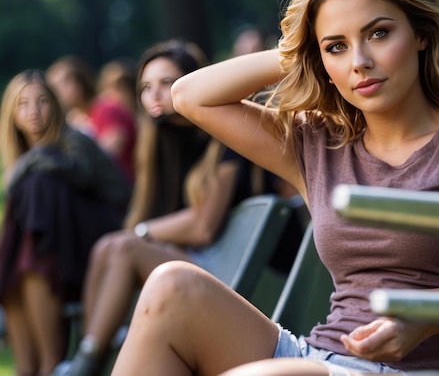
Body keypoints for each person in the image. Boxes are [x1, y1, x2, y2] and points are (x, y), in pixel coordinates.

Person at [112, 0, 439, 376]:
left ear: (421, 33)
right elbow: (188, 96)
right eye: (336, 47)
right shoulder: (318, 141)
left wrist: (425, 317)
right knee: (172, 286)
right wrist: (296, 48)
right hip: (318, 356)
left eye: (378, 33)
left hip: (413, 371)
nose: (360, 62)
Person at [60, 38, 287, 376]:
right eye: (146, 86)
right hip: (190, 261)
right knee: (107, 245)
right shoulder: (157, 146)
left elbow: (203, 226)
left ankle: (87, 362)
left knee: (123, 246)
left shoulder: (225, 138)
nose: (154, 94)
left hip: (229, 270)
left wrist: (142, 232)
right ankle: (89, 350)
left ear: (193, 80)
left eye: (166, 83)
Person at [0, 70, 130, 376]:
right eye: (23, 104)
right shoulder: (22, 158)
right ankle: (28, 365)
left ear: (55, 107)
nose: (33, 111)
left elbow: (83, 176)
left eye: (43, 101)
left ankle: (49, 364)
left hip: (97, 236)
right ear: (12, 114)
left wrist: (36, 159)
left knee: (40, 185)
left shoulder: (72, 138)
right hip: (50, 240)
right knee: (16, 267)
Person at [46, 55, 137, 182]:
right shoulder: (73, 118)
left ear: (78, 82)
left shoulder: (106, 109)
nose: (55, 93)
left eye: (60, 84)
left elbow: (109, 157)